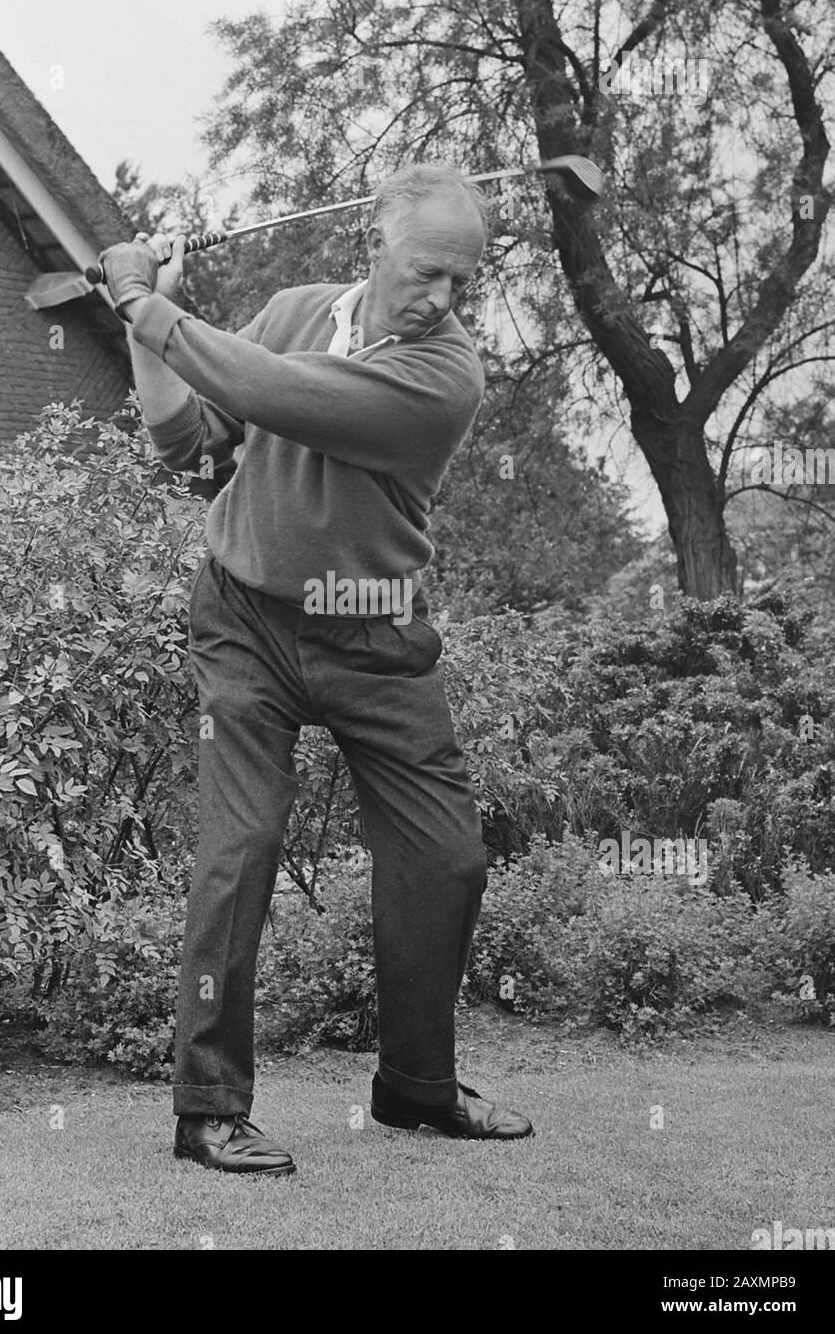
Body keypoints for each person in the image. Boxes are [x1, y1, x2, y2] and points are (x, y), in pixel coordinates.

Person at [99, 162, 534, 1178]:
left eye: (464, 282)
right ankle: (208, 1110)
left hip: (376, 638)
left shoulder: (445, 377)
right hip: (246, 621)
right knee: (238, 851)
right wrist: (140, 326)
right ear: (374, 243)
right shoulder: (295, 307)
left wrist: (139, 296)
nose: (444, 298)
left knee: (448, 860)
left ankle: (415, 1086)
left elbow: (269, 394)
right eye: (429, 271)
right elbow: (193, 439)